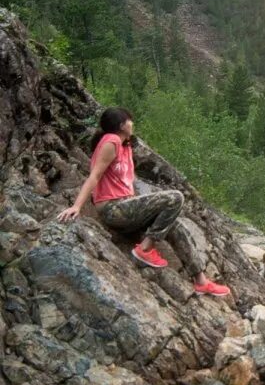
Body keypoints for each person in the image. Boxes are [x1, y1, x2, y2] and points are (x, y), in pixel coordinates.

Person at [57, 106, 231, 297]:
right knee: (175, 197)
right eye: (129, 120)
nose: (132, 123)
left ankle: (201, 281)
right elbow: (94, 176)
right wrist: (76, 206)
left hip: (127, 207)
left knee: (176, 225)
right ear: (121, 124)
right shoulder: (111, 141)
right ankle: (145, 249)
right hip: (113, 209)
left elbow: (127, 183)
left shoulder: (125, 146)